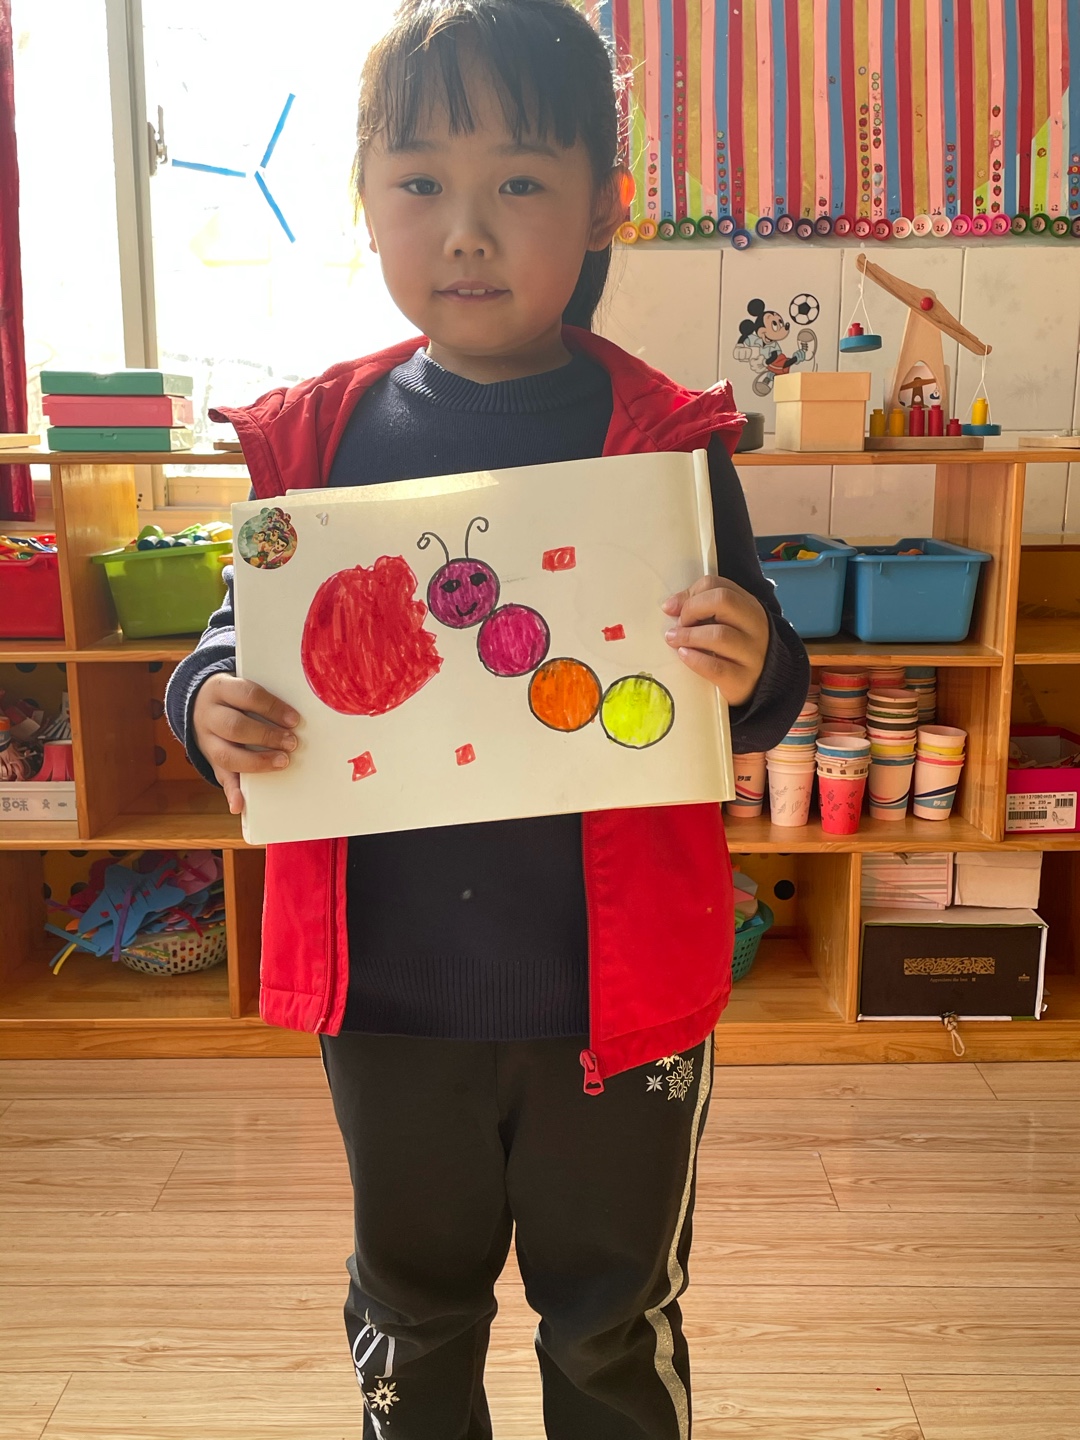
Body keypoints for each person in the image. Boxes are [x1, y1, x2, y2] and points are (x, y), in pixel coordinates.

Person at [166, 2, 809, 1434]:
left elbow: (766, 695)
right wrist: (208, 699)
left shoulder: (666, 444)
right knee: (414, 1306)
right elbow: (236, 637)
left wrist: (751, 657)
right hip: (391, 994)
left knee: (610, 1317)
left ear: (604, 207)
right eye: (420, 182)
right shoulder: (317, 440)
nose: (466, 230)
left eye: (520, 180)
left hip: (616, 999)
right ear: (367, 202)